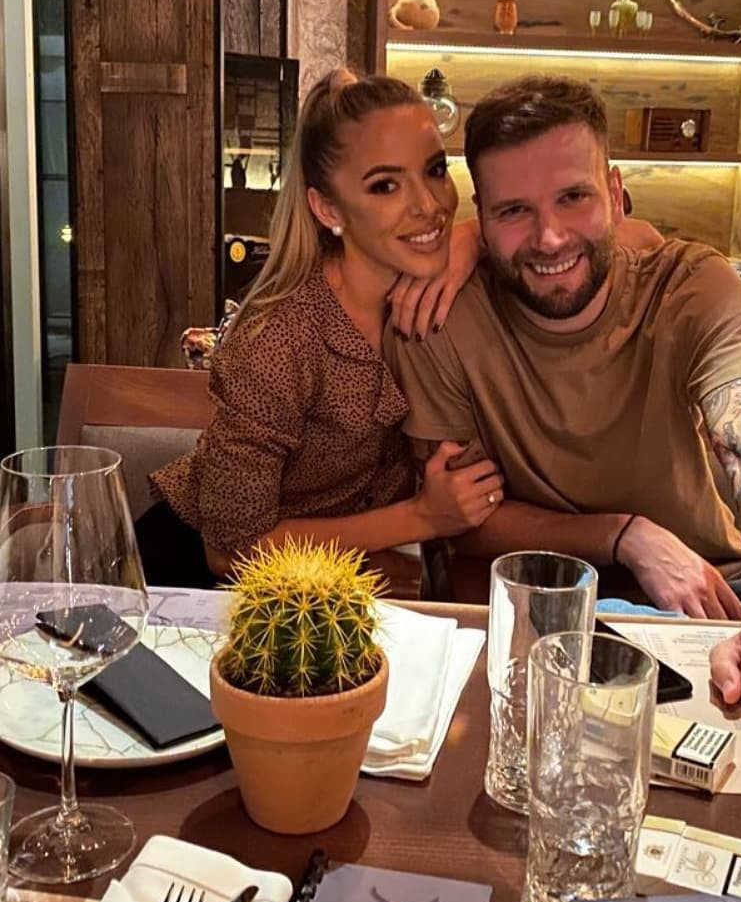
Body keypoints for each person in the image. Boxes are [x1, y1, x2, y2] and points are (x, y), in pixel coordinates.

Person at [385, 75, 741, 714]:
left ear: (615, 192)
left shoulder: (692, 288)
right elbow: (464, 519)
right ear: (481, 221)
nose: (549, 238)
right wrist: (625, 536)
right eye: (514, 211)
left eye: (573, 197)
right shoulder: (440, 322)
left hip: (721, 596)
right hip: (547, 607)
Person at [141, 69, 503, 586]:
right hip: (193, 584)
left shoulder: (436, 290)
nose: (429, 205)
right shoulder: (280, 337)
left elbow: (597, 237)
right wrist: (423, 517)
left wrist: (474, 237)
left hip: (330, 585)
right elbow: (228, 551)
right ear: (328, 208)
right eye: (385, 185)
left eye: (435, 170)